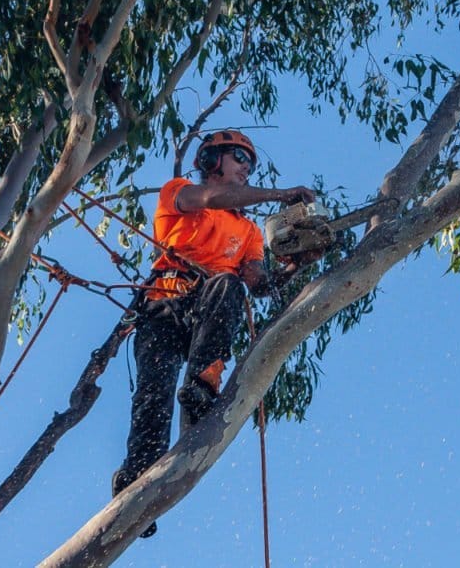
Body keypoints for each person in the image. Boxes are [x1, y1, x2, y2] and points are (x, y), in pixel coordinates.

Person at [112, 129, 317, 537]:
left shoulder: (250, 233)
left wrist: (296, 266)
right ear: (211, 162)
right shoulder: (182, 192)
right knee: (152, 400)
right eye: (239, 158)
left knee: (229, 285)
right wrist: (279, 196)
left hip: (210, 312)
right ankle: (135, 485)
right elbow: (212, 199)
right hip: (164, 307)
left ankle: (204, 380)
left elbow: (257, 283)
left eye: (250, 163)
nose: (246, 167)